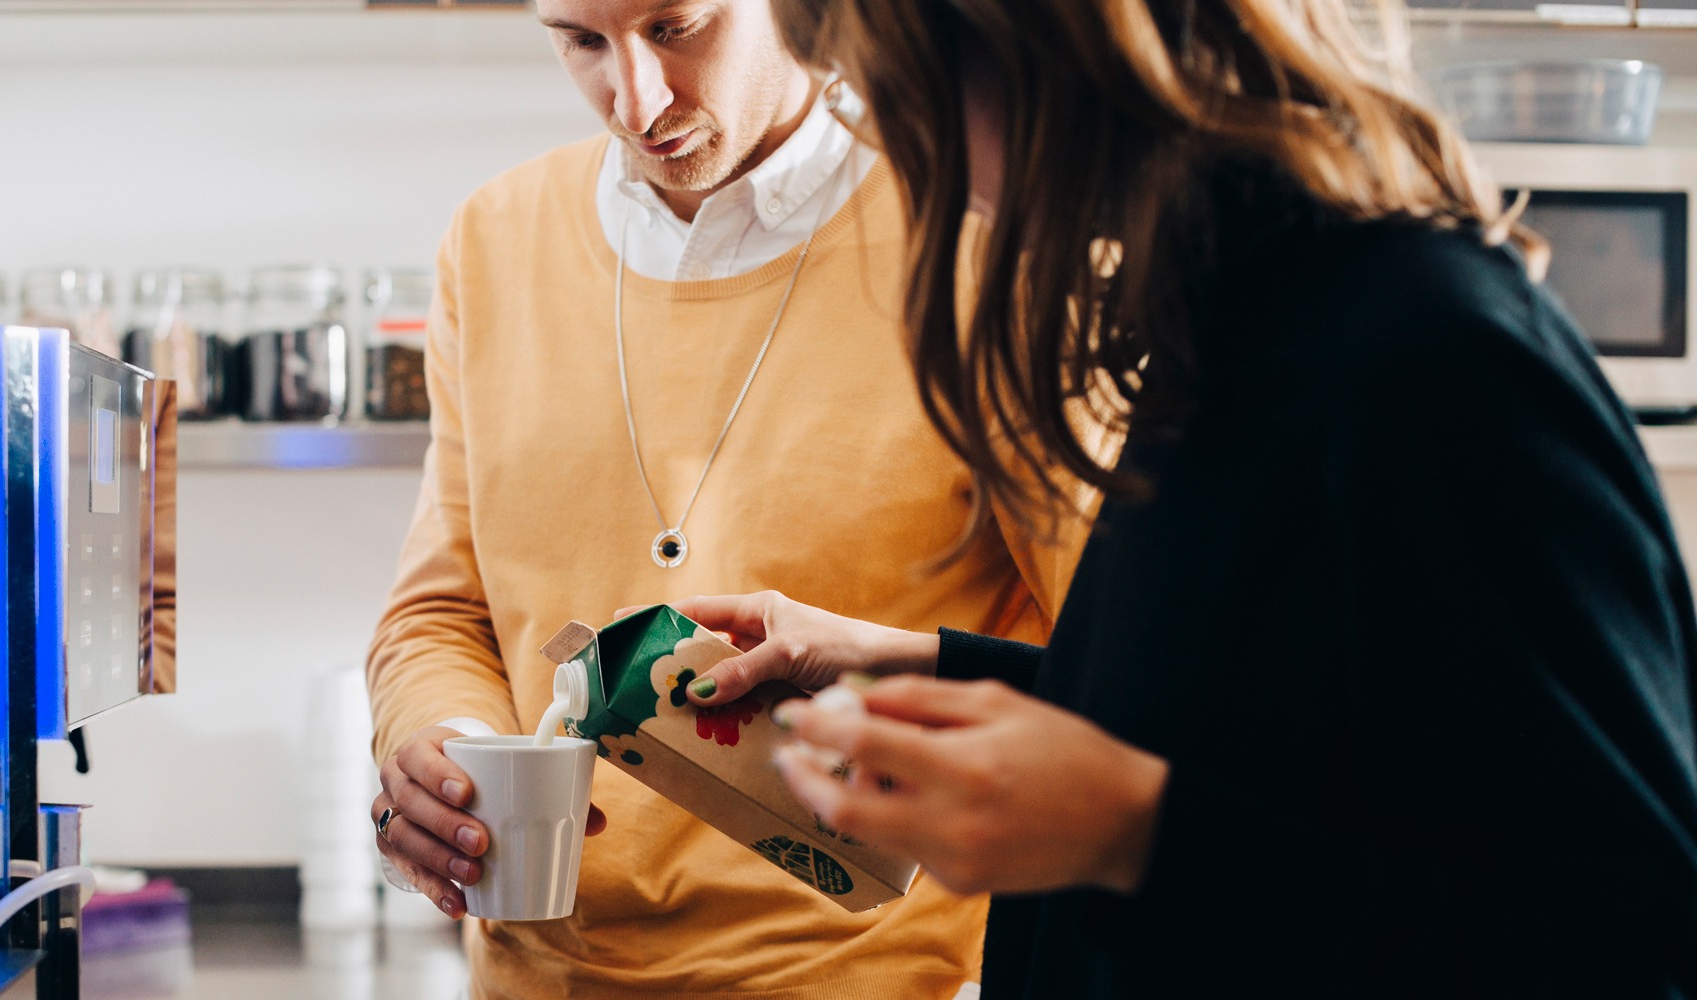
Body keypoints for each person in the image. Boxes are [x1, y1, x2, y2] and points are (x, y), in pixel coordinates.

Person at [669, 0, 1697, 996]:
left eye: (888, 87)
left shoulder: (1429, 358)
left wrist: (1133, 834)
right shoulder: (1225, 327)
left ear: (1036, 51)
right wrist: (921, 663)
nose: (897, 142)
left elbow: (1626, 952)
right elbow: (1261, 733)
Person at [364, 0, 1093, 995]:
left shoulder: (986, 240)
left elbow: (1117, 670)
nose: (634, 100)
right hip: (532, 974)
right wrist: (431, 747)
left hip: (879, 975)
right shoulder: (493, 238)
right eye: (580, 41)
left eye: (675, 27)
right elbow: (439, 613)